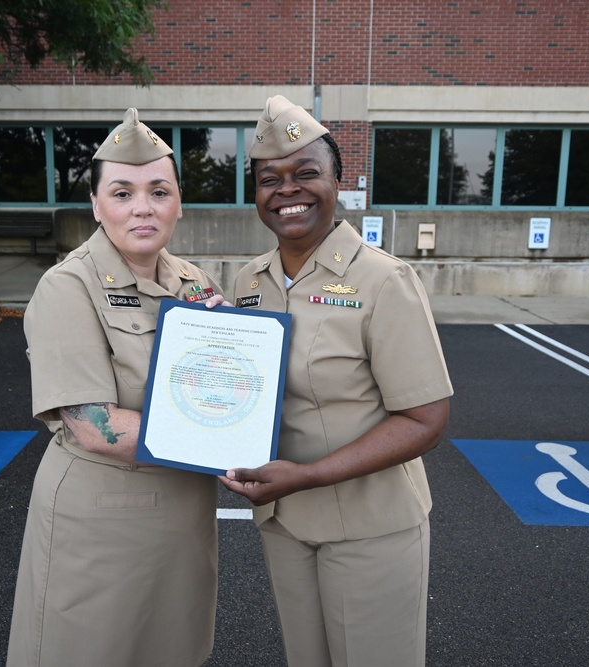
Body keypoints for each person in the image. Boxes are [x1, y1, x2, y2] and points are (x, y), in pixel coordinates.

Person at [219, 95, 454, 667]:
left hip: (371, 526)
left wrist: (306, 476)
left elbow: (426, 421)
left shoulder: (384, 280)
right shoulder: (249, 280)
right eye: (269, 179)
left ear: (337, 183)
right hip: (284, 522)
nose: (287, 190)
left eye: (306, 174)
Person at [7, 108, 225, 667]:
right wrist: (228, 448)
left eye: (159, 191)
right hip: (101, 525)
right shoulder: (68, 287)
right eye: (123, 193)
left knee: (174, 651)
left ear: (179, 202)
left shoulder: (196, 284)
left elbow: (219, 390)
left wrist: (229, 348)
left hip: (183, 518)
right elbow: (93, 426)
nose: (143, 208)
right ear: (97, 204)